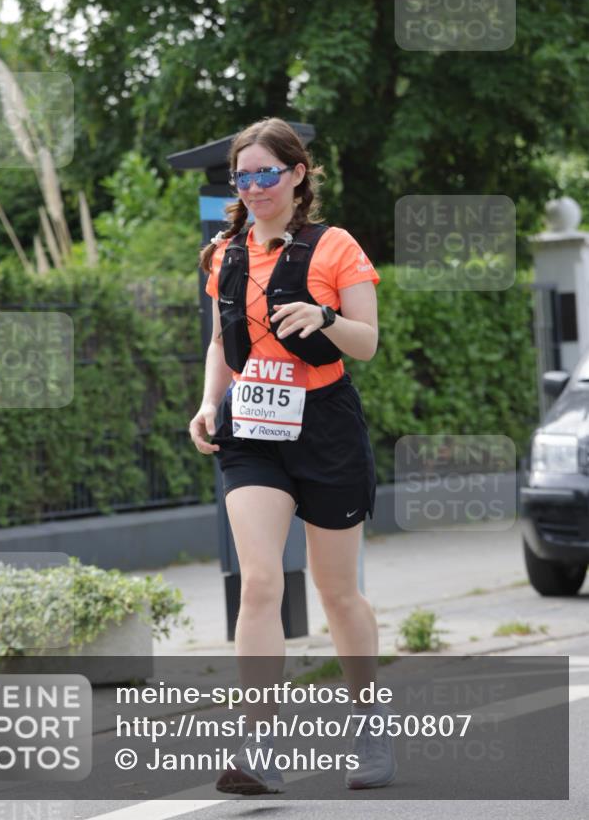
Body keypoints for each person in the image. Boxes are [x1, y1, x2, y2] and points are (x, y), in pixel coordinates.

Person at [189, 116, 396, 795]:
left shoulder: (335, 247)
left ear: (297, 174)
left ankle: (367, 724)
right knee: (260, 582)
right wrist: (206, 402)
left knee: (337, 593)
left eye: (265, 174)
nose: (252, 187)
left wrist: (326, 319)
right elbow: (222, 341)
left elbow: (366, 342)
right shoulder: (224, 253)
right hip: (250, 427)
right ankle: (259, 745)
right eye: (240, 177)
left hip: (324, 425)